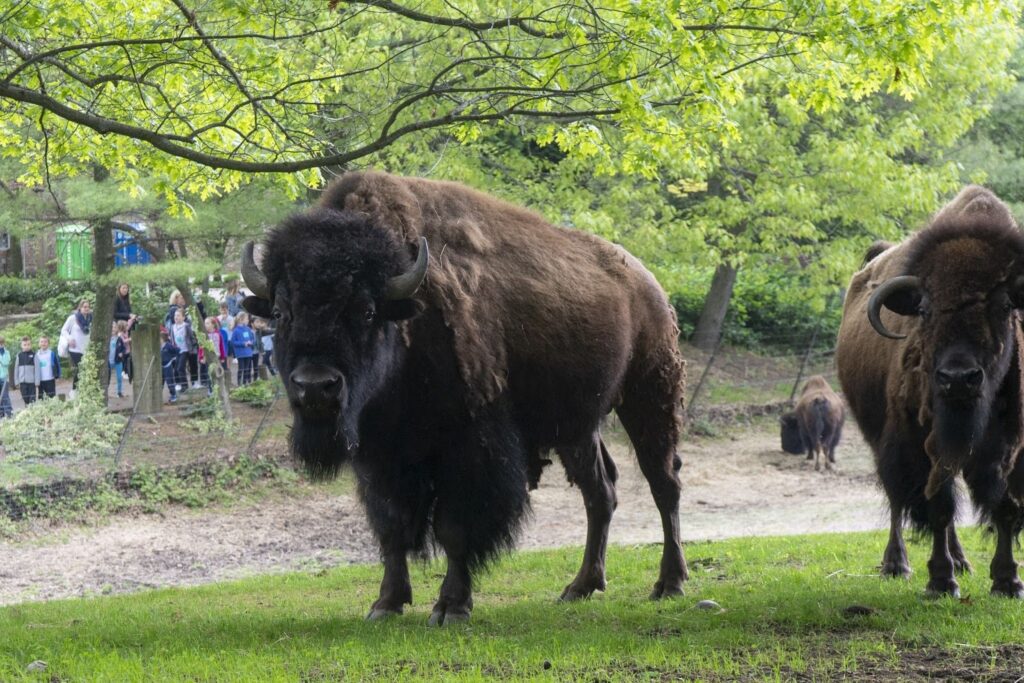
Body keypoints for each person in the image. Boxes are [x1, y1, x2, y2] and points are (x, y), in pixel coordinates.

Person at [60, 299, 92, 392]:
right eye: (84, 307)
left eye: (88, 307)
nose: (86, 309)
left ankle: (83, 391)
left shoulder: (91, 318)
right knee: (79, 370)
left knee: (86, 371)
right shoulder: (73, 318)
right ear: (80, 307)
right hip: (75, 349)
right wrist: (69, 339)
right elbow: (64, 330)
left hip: (86, 349)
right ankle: (74, 391)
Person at [113, 283, 138, 380]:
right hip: (120, 326)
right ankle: (124, 369)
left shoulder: (127, 300)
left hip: (128, 326)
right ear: (119, 289)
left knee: (129, 349)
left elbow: (129, 312)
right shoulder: (116, 299)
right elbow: (115, 314)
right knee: (123, 349)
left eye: (126, 288)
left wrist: (133, 317)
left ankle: (128, 369)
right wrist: (129, 315)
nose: (125, 290)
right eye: (123, 288)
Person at [169, 309, 197, 391]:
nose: (176, 317)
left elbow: (192, 338)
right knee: (176, 367)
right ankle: (178, 384)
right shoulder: (173, 327)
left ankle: (185, 385)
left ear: (183, 317)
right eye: (175, 315)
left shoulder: (186, 326)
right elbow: (172, 339)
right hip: (177, 350)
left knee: (181, 367)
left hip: (185, 350)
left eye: (178, 315)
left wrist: (192, 348)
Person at [230, 312, 256, 386]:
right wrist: (243, 344)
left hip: (248, 353)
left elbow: (253, 339)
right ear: (241, 319)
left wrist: (251, 342)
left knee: (247, 369)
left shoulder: (248, 329)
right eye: (247, 318)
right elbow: (233, 342)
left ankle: (245, 384)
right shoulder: (236, 330)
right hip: (240, 354)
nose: (248, 320)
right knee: (241, 369)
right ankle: (239, 384)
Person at [108, 321, 128, 398]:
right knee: (107, 378)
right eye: (111, 327)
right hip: (108, 362)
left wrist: (122, 353)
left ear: (117, 329)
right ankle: (105, 392)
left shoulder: (119, 339)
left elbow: (124, 349)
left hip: (118, 361)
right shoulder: (106, 339)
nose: (113, 329)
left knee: (119, 378)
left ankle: (119, 392)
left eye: (114, 327)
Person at [15, 336, 36, 406]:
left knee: (32, 399)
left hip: (31, 382)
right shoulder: (19, 355)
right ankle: (27, 410)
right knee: (25, 398)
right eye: (25, 345)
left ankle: (32, 410)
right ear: (21, 345)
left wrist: (37, 381)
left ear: (31, 345)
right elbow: (16, 369)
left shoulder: (34, 355)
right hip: (22, 382)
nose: (26, 346)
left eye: (28, 344)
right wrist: (16, 381)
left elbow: (37, 369)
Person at [160, 331, 179, 403]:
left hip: (168, 366)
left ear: (162, 339)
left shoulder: (168, 345)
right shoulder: (158, 346)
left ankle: (173, 395)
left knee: (170, 381)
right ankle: (158, 396)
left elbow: (177, 350)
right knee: (160, 381)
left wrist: (173, 358)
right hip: (160, 366)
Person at [0, 337, 11, 418]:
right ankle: (1, 413)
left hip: (4, 378)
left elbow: (5, 363)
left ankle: (8, 412)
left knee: (5, 396)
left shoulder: (7, 352)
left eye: (1, 343)